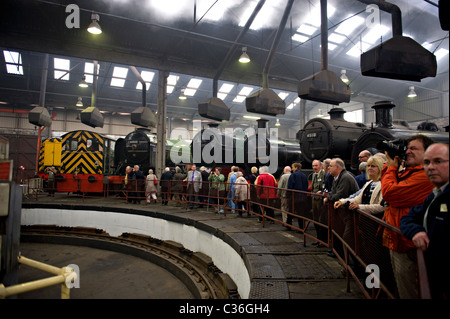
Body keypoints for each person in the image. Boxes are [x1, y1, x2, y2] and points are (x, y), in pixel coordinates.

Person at [380, 134, 435, 299]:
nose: (408, 151)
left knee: (411, 290)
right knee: (401, 286)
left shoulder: (424, 176)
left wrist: (390, 168)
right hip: (398, 240)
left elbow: (390, 193)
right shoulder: (409, 172)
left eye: (414, 148)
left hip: (409, 244)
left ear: (428, 153)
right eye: (408, 148)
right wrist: (392, 167)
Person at [400, 143, 449, 299]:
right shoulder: (435, 195)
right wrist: (417, 231)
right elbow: (408, 218)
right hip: (435, 277)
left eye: (438, 161)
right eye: (427, 162)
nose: (431, 167)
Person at [324, 158, 359, 258]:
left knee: (347, 237)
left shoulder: (345, 178)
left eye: (330, 166)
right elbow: (333, 192)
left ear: (337, 167)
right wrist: (330, 196)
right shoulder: (337, 177)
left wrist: (328, 198)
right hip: (343, 213)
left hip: (349, 213)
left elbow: (339, 195)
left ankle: (349, 260)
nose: (328, 168)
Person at [286, 162, 308, 230]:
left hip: (294, 196)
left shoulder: (293, 175)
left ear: (296, 167)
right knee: (301, 213)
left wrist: (288, 195)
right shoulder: (304, 175)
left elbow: (290, 186)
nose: (292, 169)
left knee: (290, 211)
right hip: (303, 196)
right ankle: (302, 228)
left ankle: (288, 226)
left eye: (292, 167)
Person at [310, 160, 326, 246]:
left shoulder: (323, 174)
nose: (314, 167)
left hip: (320, 199)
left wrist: (322, 191)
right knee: (315, 218)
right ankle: (318, 238)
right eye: (313, 166)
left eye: (316, 165)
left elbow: (325, 185)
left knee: (321, 219)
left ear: (321, 166)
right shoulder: (313, 175)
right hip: (314, 198)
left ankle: (323, 240)